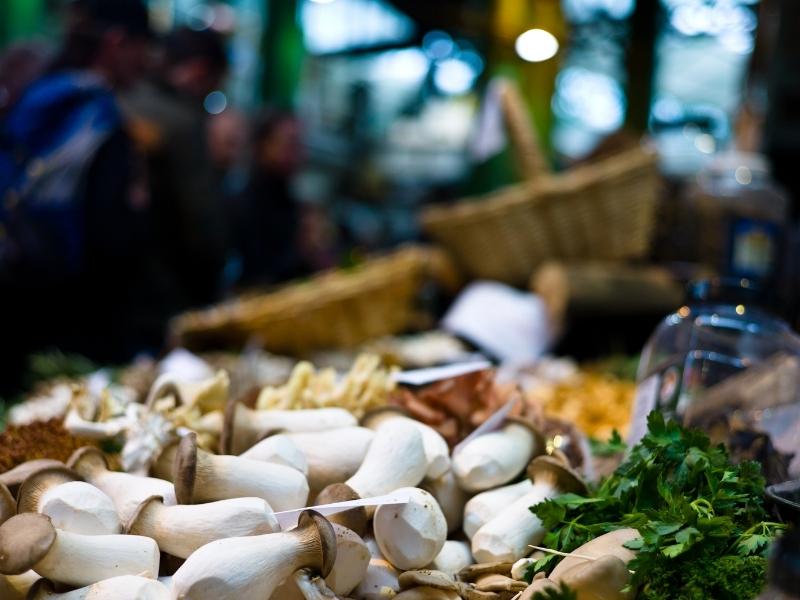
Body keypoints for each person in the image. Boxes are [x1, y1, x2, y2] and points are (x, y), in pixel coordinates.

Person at [0, 0, 154, 390]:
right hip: (69, 313)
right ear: (117, 43)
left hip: (17, 285)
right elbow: (111, 236)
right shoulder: (99, 116)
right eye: (142, 47)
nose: (147, 60)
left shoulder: (41, 91)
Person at [121, 27, 229, 312]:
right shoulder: (183, 123)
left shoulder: (124, 99)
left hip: (107, 275)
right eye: (215, 87)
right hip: (160, 284)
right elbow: (199, 215)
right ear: (198, 71)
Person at [232, 110, 306, 287]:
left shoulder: (288, 200)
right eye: (290, 144)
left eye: (299, 145)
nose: (299, 155)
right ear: (262, 145)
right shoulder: (246, 204)